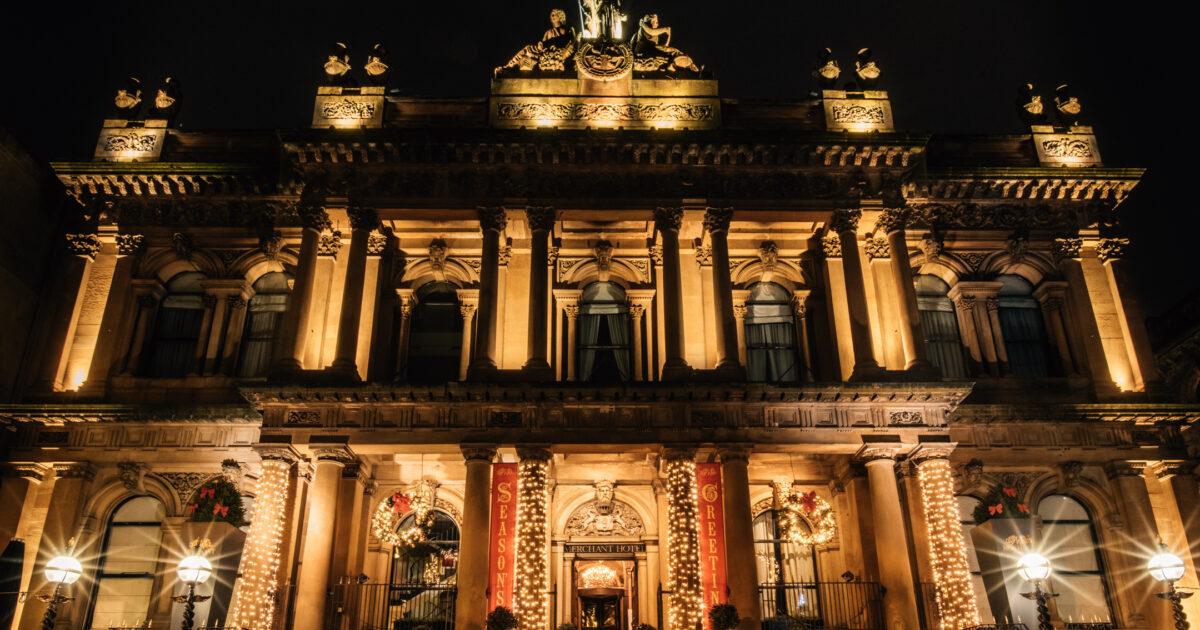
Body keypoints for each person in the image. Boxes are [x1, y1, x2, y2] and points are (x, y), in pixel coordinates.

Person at [496, 9, 578, 75]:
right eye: (551, 15)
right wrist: (540, 45)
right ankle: (509, 66)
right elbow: (542, 45)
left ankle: (510, 67)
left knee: (528, 49)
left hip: (559, 54)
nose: (552, 17)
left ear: (560, 16)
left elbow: (569, 41)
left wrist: (546, 44)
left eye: (554, 15)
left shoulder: (568, 29)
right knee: (527, 49)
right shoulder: (548, 32)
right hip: (546, 54)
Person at [630, 14, 700, 72]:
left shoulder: (655, 34)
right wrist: (665, 29)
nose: (658, 24)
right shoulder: (644, 25)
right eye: (656, 22)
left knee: (672, 50)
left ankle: (683, 63)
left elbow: (664, 46)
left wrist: (668, 36)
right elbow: (652, 32)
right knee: (672, 51)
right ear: (651, 21)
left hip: (651, 47)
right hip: (644, 48)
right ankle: (684, 63)